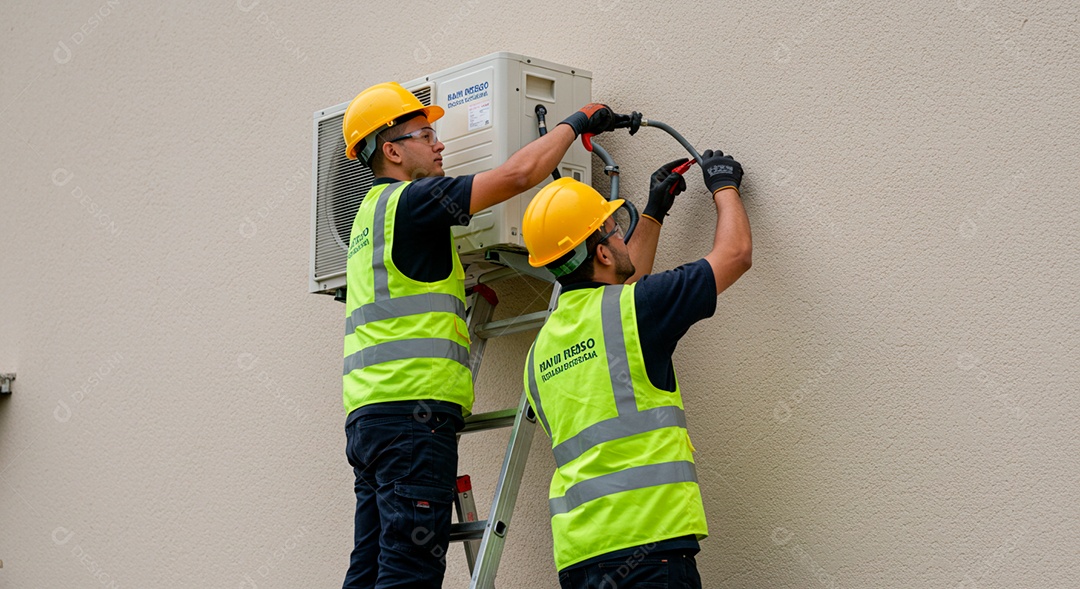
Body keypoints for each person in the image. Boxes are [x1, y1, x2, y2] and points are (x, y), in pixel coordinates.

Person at [339, 80, 631, 589]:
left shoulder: (368, 216)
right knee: (409, 572)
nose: (440, 144)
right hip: (413, 417)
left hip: (370, 421)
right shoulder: (414, 202)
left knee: (369, 571)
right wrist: (576, 121)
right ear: (391, 149)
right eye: (425, 133)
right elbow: (518, 175)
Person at [519, 149, 752, 588]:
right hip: (650, 549)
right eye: (615, 231)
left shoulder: (539, 353)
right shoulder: (635, 310)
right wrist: (724, 186)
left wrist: (654, 213)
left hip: (581, 560)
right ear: (604, 254)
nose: (624, 237)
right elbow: (736, 254)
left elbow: (618, 292)